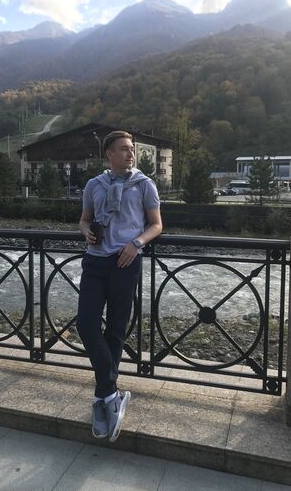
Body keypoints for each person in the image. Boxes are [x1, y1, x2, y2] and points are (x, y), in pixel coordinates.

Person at [76, 130, 162, 442]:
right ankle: (110, 391)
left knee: (115, 328)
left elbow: (156, 224)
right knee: (86, 324)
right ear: (109, 154)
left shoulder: (144, 184)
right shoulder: (94, 185)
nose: (130, 154)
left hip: (125, 262)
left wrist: (136, 244)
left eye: (132, 149)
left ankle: (103, 398)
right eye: (124, 149)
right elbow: (84, 219)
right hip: (95, 261)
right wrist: (85, 231)